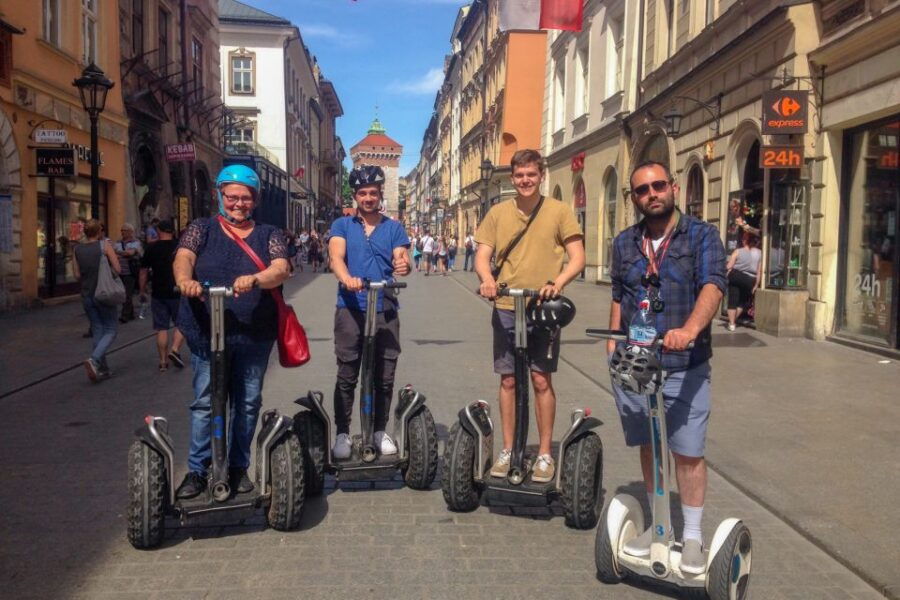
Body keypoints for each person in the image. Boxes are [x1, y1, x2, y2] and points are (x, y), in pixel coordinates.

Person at [606, 160, 726, 574]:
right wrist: (611, 342)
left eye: (658, 185)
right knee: (650, 444)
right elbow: (619, 295)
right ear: (634, 198)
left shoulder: (702, 236)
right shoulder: (625, 242)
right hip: (636, 362)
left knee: (687, 451)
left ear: (673, 187)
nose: (651, 194)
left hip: (684, 362)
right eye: (642, 190)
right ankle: (660, 526)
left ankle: (691, 536)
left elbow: (713, 285)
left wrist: (689, 329)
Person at [172, 164, 291, 499]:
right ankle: (198, 470)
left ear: (255, 200)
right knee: (205, 402)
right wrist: (184, 280)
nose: (239, 203)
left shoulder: (269, 234)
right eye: (232, 197)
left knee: (248, 403)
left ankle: (238, 467)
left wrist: (256, 279)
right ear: (220, 196)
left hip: (254, 334)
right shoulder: (202, 228)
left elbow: (281, 268)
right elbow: (183, 256)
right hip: (207, 331)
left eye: (246, 198)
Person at [474, 149, 585, 483]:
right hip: (507, 306)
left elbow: (577, 257)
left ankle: (545, 453)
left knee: (540, 380)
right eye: (520, 175)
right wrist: (487, 280)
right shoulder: (497, 213)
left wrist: (558, 283)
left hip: (542, 309)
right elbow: (482, 256)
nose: (525, 180)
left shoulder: (559, 211)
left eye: (531, 175)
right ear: (513, 178)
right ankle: (508, 450)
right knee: (508, 379)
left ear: (541, 175)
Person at [328, 165, 411, 459]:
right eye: (362, 193)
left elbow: (402, 256)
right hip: (351, 308)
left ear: (380, 194)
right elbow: (336, 257)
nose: (368, 198)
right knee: (347, 373)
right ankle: (342, 432)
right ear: (355, 195)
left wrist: (403, 264)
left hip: (385, 308)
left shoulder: (393, 227)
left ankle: (379, 429)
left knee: (384, 375)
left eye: (373, 193)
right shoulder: (342, 225)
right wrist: (346, 277)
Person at [72, 219, 121, 382]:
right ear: (99, 231)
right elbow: (118, 269)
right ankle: (94, 359)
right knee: (111, 329)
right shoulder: (104, 246)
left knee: (98, 329)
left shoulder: (77, 249)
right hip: (104, 293)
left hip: (87, 295)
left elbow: (77, 275)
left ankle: (102, 369)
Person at [139, 219, 186, 371]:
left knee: (161, 328)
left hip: (158, 292)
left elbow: (143, 271)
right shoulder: (180, 246)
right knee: (182, 323)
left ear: (159, 231)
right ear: (173, 231)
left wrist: (142, 290)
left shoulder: (151, 248)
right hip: (178, 290)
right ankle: (175, 349)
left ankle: (163, 362)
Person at [726, 232, 762, 331]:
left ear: (746, 241)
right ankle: (733, 321)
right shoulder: (760, 253)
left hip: (736, 276)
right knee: (742, 301)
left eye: (743, 239)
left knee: (732, 300)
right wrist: (756, 284)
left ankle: (732, 324)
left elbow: (729, 266)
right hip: (750, 279)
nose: (742, 240)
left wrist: (725, 269)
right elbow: (759, 271)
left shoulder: (738, 251)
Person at [115, 223, 143, 322]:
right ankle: (130, 313)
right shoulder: (118, 242)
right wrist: (124, 253)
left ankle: (125, 315)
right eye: (122, 230)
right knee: (124, 294)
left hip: (130, 272)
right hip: (120, 272)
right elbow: (114, 253)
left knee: (127, 294)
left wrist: (120, 253)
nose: (122, 232)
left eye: (125, 230)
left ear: (131, 232)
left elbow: (130, 253)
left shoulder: (136, 242)